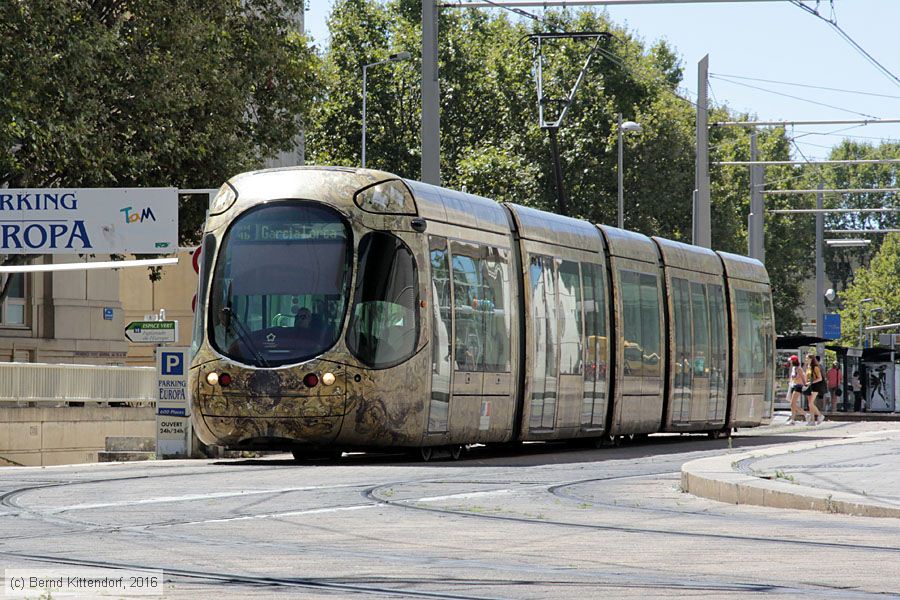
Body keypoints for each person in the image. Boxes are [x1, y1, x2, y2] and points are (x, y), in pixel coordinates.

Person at [803, 354, 826, 425]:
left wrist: (811, 382)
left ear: (811, 359)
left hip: (815, 386)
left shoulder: (815, 367)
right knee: (810, 404)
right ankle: (812, 421)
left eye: (807, 358)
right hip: (809, 386)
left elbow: (820, 378)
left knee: (810, 403)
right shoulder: (808, 367)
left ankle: (820, 415)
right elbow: (807, 377)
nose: (806, 359)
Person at [786, 355, 808, 425]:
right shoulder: (793, 368)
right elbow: (792, 377)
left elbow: (803, 378)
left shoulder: (799, 369)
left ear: (794, 361)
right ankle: (793, 419)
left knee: (792, 403)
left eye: (791, 360)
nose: (790, 361)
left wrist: (805, 385)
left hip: (798, 386)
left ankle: (805, 414)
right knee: (792, 404)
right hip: (793, 385)